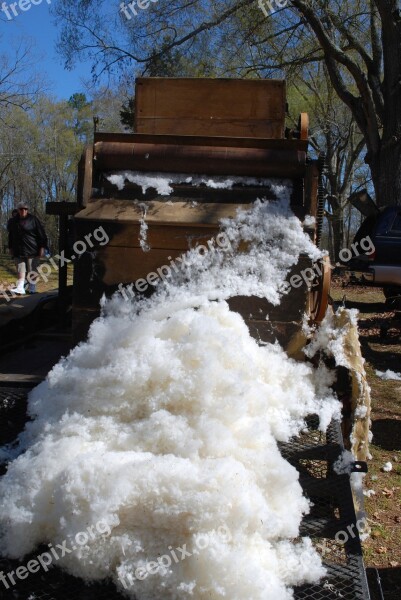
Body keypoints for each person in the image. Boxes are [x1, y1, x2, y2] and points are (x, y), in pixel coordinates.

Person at [8, 202, 48, 295]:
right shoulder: (13, 221)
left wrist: (42, 247)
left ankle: (32, 288)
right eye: (21, 209)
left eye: (26, 209)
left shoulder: (33, 220)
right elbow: (11, 235)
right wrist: (10, 247)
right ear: (18, 210)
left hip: (32, 249)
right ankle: (20, 287)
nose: (24, 211)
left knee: (32, 270)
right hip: (18, 249)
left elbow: (41, 234)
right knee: (20, 268)